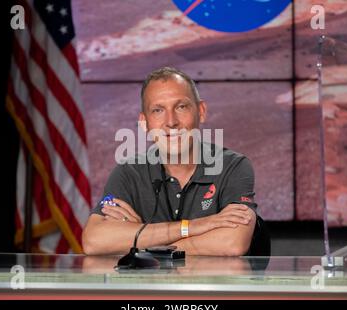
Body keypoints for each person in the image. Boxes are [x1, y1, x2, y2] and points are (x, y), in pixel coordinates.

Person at [83, 66, 262, 256]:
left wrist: (140, 240)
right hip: (149, 286)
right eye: (158, 110)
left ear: (201, 111)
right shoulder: (128, 173)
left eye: (181, 107)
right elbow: (93, 241)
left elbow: (232, 243)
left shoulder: (233, 166)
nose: (171, 121)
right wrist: (194, 227)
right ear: (144, 123)